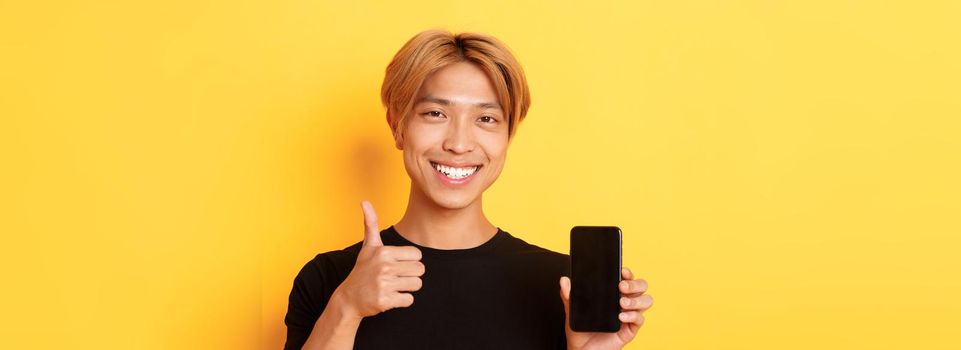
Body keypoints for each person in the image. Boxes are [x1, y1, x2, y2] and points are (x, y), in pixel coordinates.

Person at [283, 29, 653, 350]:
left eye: (486, 119)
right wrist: (346, 308)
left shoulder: (565, 288)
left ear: (508, 136)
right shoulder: (329, 279)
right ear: (397, 126)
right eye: (436, 114)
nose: (459, 144)